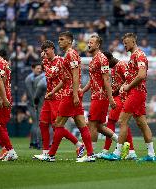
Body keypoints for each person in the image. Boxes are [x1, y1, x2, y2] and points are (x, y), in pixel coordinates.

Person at [103, 33, 156, 162]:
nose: (125, 45)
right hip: (136, 92)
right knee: (141, 123)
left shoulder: (139, 55)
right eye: (124, 43)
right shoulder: (134, 56)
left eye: (126, 43)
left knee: (122, 121)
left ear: (133, 42)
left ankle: (117, 153)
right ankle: (151, 154)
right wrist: (126, 84)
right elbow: (134, 76)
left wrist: (128, 86)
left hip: (136, 92)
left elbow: (141, 75)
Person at [43, 31, 94, 162]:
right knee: (82, 125)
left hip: (70, 94)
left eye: (62, 39)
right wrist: (53, 92)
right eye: (59, 39)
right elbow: (65, 79)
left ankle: (51, 155)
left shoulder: (71, 54)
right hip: (71, 92)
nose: (59, 41)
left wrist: (75, 94)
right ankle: (90, 155)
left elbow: (76, 76)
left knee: (58, 124)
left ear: (69, 41)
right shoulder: (67, 55)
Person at [94, 51, 137, 160]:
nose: (105, 65)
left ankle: (106, 150)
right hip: (119, 97)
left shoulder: (121, 65)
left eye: (105, 62)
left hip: (122, 97)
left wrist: (116, 91)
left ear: (109, 59)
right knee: (124, 123)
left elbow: (130, 79)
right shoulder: (114, 68)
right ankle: (131, 151)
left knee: (112, 121)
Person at [81, 35, 118, 154]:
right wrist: (83, 90)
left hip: (100, 97)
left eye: (91, 42)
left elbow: (106, 79)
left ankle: (90, 154)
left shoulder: (102, 58)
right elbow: (93, 80)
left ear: (97, 45)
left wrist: (111, 98)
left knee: (92, 124)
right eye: (88, 42)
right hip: (97, 96)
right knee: (99, 126)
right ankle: (122, 143)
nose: (89, 44)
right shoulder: (94, 59)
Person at [33, 40, 64, 160]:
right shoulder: (46, 62)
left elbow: (56, 76)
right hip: (48, 97)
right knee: (42, 123)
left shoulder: (60, 61)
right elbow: (48, 77)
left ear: (52, 49)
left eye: (46, 51)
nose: (45, 53)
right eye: (43, 52)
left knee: (57, 126)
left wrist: (44, 61)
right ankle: (46, 152)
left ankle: (78, 144)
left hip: (58, 96)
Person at [24, 63, 43, 149]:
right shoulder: (29, 79)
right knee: (36, 123)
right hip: (32, 104)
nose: (39, 70)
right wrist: (35, 104)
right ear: (32, 68)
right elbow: (31, 94)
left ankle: (34, 143)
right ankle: (35, 142)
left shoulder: (41, 77)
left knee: (37, 123)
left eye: (40, 68)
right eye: (37, 68)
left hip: (39, 103)